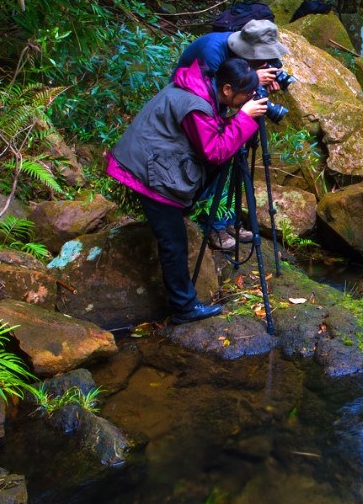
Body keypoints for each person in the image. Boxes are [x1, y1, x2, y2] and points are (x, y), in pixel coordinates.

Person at [106, 57, 268, 322]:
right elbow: (215, 151)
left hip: (150, 159)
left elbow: (212, 135)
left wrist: (241, 113)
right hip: (149, 171)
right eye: (246, 95)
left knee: (173, 236)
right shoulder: (196, 105)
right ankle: (183, 308)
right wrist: (244, 119)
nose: (249, 100)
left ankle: (183, 301)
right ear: (227, 90)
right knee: (174, 243)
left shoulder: (201, 87)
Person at [174, 18, 293, 250]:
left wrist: (258, 84)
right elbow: (213, 93)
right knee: (213, 159)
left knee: (234, 158)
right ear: (248, 51)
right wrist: (252, 80)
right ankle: (212, 222)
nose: (264, 62)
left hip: (217, 107)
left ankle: (229, 219)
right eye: (260, 59)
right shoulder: (212, 52)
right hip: (195, 110)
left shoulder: (243, 54)